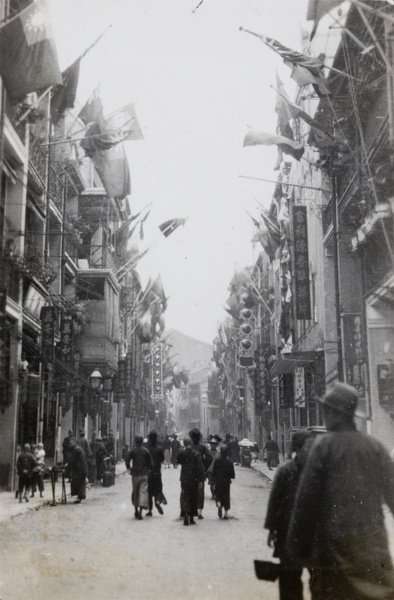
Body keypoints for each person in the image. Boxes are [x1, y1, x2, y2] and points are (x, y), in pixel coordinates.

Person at [287, 382, 394, 600]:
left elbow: (306, 503)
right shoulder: (375, 447)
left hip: (334, 550)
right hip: (372, 549)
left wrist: (296, 548)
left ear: (335, 414)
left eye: (326, 410)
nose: (324, 414)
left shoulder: (323, 447)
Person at [264, 430, 312, 600]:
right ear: (297, 448)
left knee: (319, 579)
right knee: (289, 578)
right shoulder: (285, 471)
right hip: (288, 532)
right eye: (308, 446)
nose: (312, 450)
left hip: (312, 534)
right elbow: (274, 501)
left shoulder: (317, 472)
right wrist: (271, 529)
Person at [176, 437, 205, 526]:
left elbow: (177, 461)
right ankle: (191, 518)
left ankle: (185, 515)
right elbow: (200, 468)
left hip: (184, 478)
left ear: (184, 444)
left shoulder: (182, 453)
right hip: (194, 479)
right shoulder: (196, 454)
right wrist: (201, 480)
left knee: (185, 496)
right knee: (193, 497)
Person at [125, 435, 154, 520]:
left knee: (135, 491)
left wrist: (129, 468)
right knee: (143, 492)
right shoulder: (146, 451)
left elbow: (127, 460)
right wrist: (149, 470)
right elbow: (151, 464)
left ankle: (136, 510)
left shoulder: (133, 451)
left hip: (135, 474)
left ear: (135, 442)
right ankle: (141, 511)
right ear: (142, 442)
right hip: (144, 474)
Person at [189, 427, 212, 519]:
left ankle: (191, 509)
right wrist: (204, 466)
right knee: (200, 491)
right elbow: (210, 457)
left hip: (190, 472)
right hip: (200, 472)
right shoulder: (202, 447)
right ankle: (199, 511)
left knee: (190, 490)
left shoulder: (189, 447)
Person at [212, 444, 235, 520]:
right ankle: (225, 514)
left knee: (218, 494)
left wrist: (213, 479)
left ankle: (219, 504)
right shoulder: (229, 462)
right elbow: (232, 475)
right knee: (226, 496)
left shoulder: (217, 460)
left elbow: (214, 472)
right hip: (226, 482)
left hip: (218, 481)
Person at [146, 430, 165, 516]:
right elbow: (162, 459)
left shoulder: (147, 449)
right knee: (158, 489)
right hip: (157, 471)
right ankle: (157, 501)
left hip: (149, 472)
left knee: (149, 491)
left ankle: (150, 511)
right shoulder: (159, 448)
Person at [64, 437, 87, 503]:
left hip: (78, 469)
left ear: (74, 443)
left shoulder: (75, 450)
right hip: (82, 468)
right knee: (81, 483)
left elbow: (72, 460)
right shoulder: (79, 449)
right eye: (69, 444)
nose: (69, 445)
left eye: (71, 444)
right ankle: (80, 497)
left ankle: (79, 497)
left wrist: (67, 469)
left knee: (77, 483)